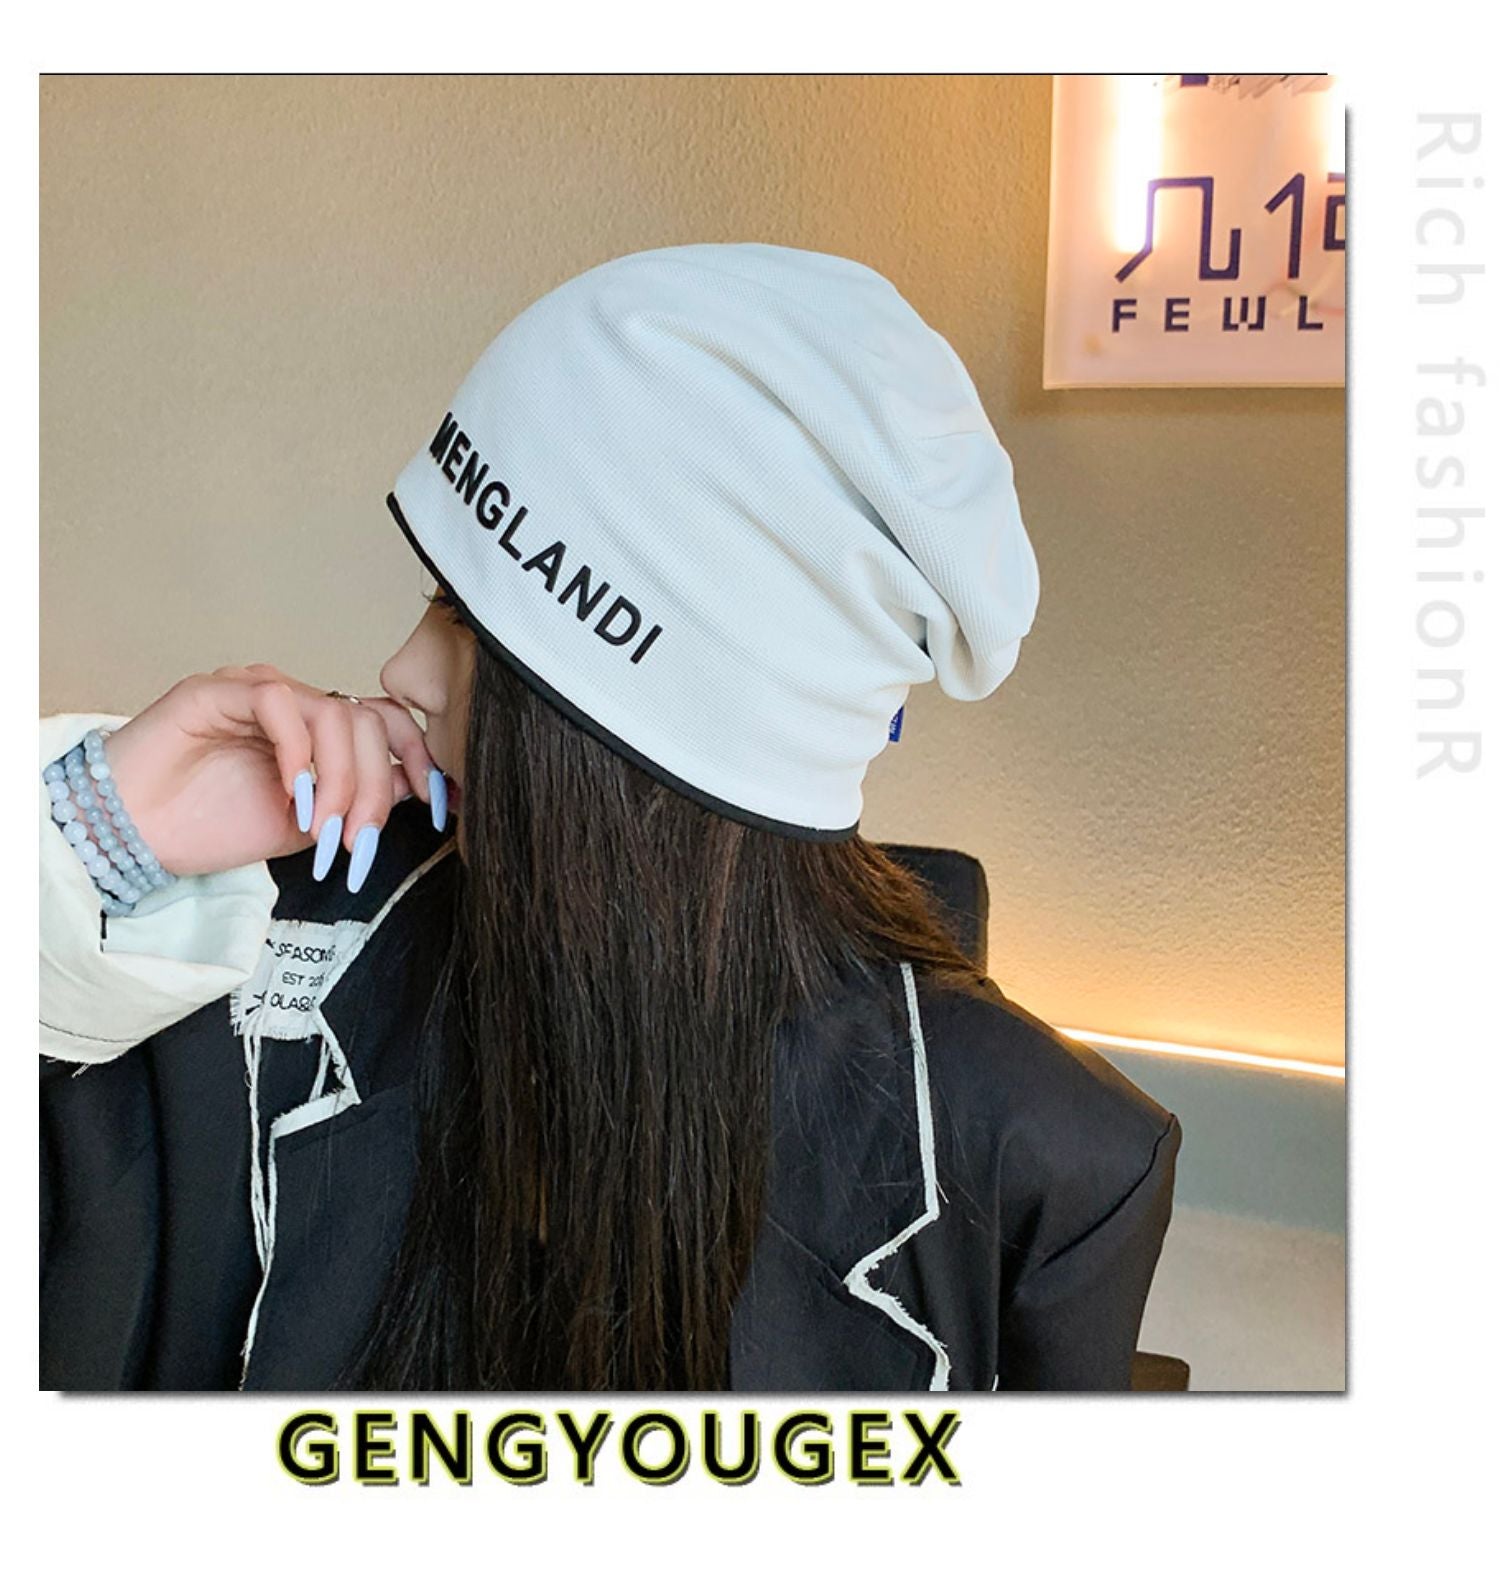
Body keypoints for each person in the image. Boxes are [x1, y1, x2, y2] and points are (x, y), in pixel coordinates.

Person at [39, 242, 1182, 1393]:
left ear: (629, 748)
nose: (401, 670)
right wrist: (90, 834)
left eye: (466, 621)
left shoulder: (1042, 1160)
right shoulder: (261, 941)